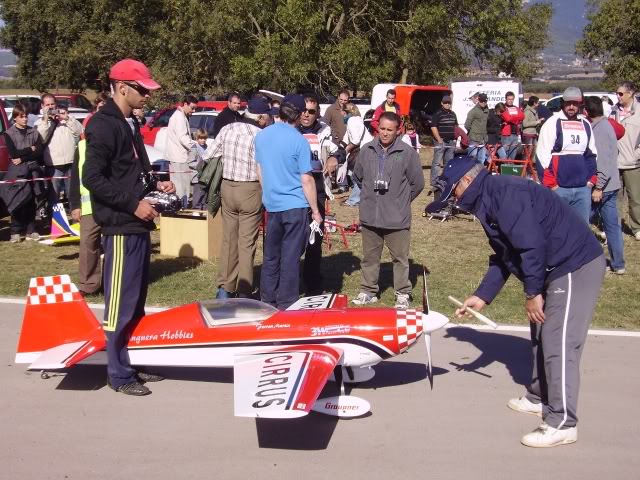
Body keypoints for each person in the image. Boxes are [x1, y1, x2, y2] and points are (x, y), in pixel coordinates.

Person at [426, 156, 605, 448]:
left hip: (574, 264)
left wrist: (533, 294)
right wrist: (483, 295)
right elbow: (505, 255)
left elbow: (531, 246)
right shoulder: (488, 199)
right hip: (552, 266)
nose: (454, 200)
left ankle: (562, 422)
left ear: (468, 182)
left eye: (454, 191)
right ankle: (539, 397)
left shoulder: (506, 194)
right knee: (540, 335)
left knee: (558, 342)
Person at [83, 59, 175, 396]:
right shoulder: (103, 125)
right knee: (119, 305)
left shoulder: (129, 124)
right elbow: (91, 177)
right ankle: (118, 374)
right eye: (142, 89)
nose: (147, 96)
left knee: (136, 303)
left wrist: (155, 185)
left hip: (137, 226)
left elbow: (131, 172)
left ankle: (132, 362)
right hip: (121, 227)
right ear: (122, 87)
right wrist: (133, 203)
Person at [254, 94, 322, 310]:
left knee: (271, 256)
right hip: (295, 205)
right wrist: (316, 211)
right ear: (301, 113)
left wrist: (269, 194)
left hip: (272, 204)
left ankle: (267, 298)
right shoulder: (298, 140)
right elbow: (306, 179)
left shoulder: (262, 136)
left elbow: (259, 170)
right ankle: (286, 302)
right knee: (291, 257)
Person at [202, 97, 273, 299]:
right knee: (246, 242)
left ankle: (225, 287)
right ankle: (244, 288)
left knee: (229, 239)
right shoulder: (261, 135)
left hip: (227, 187)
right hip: (250, 189)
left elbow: (208, 156)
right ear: (261, 118)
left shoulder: (228, 129)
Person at [352, 112, 424, 308]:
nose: (384, 133)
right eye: (382, 129)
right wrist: (369, 197)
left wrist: (400, 201)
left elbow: (417, 183)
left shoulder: (408, 153)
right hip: (370, 215)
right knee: (369, 258)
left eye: (389, 130)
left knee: (400, 258)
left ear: (398, 130)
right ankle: (368, 290)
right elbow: (358, 177)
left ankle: (402, 293)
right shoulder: (366, 150)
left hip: (397, 217)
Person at [297, 94, 343, 295]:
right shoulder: (291, 128)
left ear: (317, 113)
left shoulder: (324, 130)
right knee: (294, 239)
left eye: (311, 111)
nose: (306, 115)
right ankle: (290, 282)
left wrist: (334, 157)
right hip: (294, 189)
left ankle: (313, 284)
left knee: (314, 240)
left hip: (317, 188)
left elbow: (339, 149)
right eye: (304, 110)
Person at [536, 87, 598, 223]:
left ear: (580, 104)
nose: (571, 107)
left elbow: (592, 154)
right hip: (559, 189)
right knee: (557, 228)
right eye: (568, 103)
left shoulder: (585, 124)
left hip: (583, 189)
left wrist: (590, 181)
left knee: (582, 230)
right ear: (563, 103)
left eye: (575, 103)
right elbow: (542, 156)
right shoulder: (552, 123)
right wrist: (552, 185)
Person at [583, 96, 625, 274]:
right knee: (612, 226)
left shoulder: (599, 130)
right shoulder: (606, 126)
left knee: (583, 221)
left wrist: (598, 186)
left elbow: (604, 162)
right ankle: (618, 264)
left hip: (603, 187)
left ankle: (588, 261)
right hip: (611, 184)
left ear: (586, 112)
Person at [1, 104, 43, 242]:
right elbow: (13, 154)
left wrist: (24, 157)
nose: (25, 119)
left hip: (33, 170)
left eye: (26, 116)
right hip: (17, 172)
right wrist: (29, 149)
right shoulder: (8, 134)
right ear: (15, 118)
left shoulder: (35, 132)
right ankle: (15, 231)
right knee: (17, 200)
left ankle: (32, 230)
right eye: (22, 116)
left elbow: (39, 153)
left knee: (32, 201)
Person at [36, 95, 83, 207]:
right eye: (47, 105)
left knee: (73, 195)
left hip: (70, 163)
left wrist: (67, 118)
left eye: (52, 104)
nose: (51, 107)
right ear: (42, 106)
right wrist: (46, 120)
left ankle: (76, 219)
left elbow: (79, 130)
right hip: (53, 165)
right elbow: (40, 138)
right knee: (54, 196)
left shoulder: (65, 120)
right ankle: (54, 221)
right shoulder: (40, 123)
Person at [70, 139, 102, 296]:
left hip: (113, 204)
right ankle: (89, 285)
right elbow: (75, 177)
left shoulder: (113, 140)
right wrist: (75, 204)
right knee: (88, 244)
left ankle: (113, 282)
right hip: (89, 206)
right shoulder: (81, 146)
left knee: (113, 246)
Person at [609, 81, 640, 240]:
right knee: (613, 198)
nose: (618, 96)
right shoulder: (613, 111)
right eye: (617, 93)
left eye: (621, 93)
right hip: (614, 162)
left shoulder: (639, 112)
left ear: (631, 93)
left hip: (632, 162)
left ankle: (636, 227)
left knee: (635, 198)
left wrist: (637, 154)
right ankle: (613, 228)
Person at [165, 95, 198, 209]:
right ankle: (180, 208)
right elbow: (182, 137)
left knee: (183, 185)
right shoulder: (179, 117)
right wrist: (195, 145)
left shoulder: (180, 116)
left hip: (179, 156)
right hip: (178, 157)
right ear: (185, 104)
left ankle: (181, 207)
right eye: (192, 108)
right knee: (181, 187)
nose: (193, 111)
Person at [340, 102, 373, 207]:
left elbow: (356, 140)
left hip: (363, 151)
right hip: (365, 150)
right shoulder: (356, 120)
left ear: (346, 112)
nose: (341, 114)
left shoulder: (351, 120)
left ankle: (354, 200)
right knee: (354, 175)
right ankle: (359, 199)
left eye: (342, 112)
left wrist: (345, 150)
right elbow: (347, 137)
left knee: (357, 176)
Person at [430, 94, 458, 199]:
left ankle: (447, 180)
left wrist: (456, 138)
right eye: (445, 103)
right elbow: (433, 127)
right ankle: (435, 182)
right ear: (442, 103)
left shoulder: (453, 114)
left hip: (451, 142)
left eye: (449, 103)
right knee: (437, 162)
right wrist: (439, 139)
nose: (447, 104)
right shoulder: (438, 113)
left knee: (449, 162)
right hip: (440, 141)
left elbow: (455, 126)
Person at [465, 93, 489, 164]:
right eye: (481, 101)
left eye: (485, 101)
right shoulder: (473, 111)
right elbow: (467, 125)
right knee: (471, 159)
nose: (483, 103)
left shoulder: (487, 111)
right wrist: (472, 133)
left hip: (483, 139)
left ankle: (480, 174)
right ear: (478, 100)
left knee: (481, 160)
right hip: (474, 139)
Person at [500, 91, 524, 159]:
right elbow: (507, 118)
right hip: (506, 135)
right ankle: (502, 167)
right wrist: (515, 117)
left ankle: (510, 167)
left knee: (513, 154)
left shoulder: (516, 108)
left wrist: (512, 117)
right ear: (506, 99)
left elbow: (522, 116)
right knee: (504, 154)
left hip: (515, 134)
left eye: (512, 99)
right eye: (509, 99)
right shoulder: (503, 108)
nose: (510, 101)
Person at [191, 128, 209, 210]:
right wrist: (199, 166)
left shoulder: (206, 147)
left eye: (204, 138)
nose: (203, 140)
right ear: (197, 138)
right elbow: (190, 162)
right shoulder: (194, 148)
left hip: (205, 175)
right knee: (198, 193)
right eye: (201, 138)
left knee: (204, 192)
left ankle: (204, 207)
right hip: (197, 175)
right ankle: (196, 208)